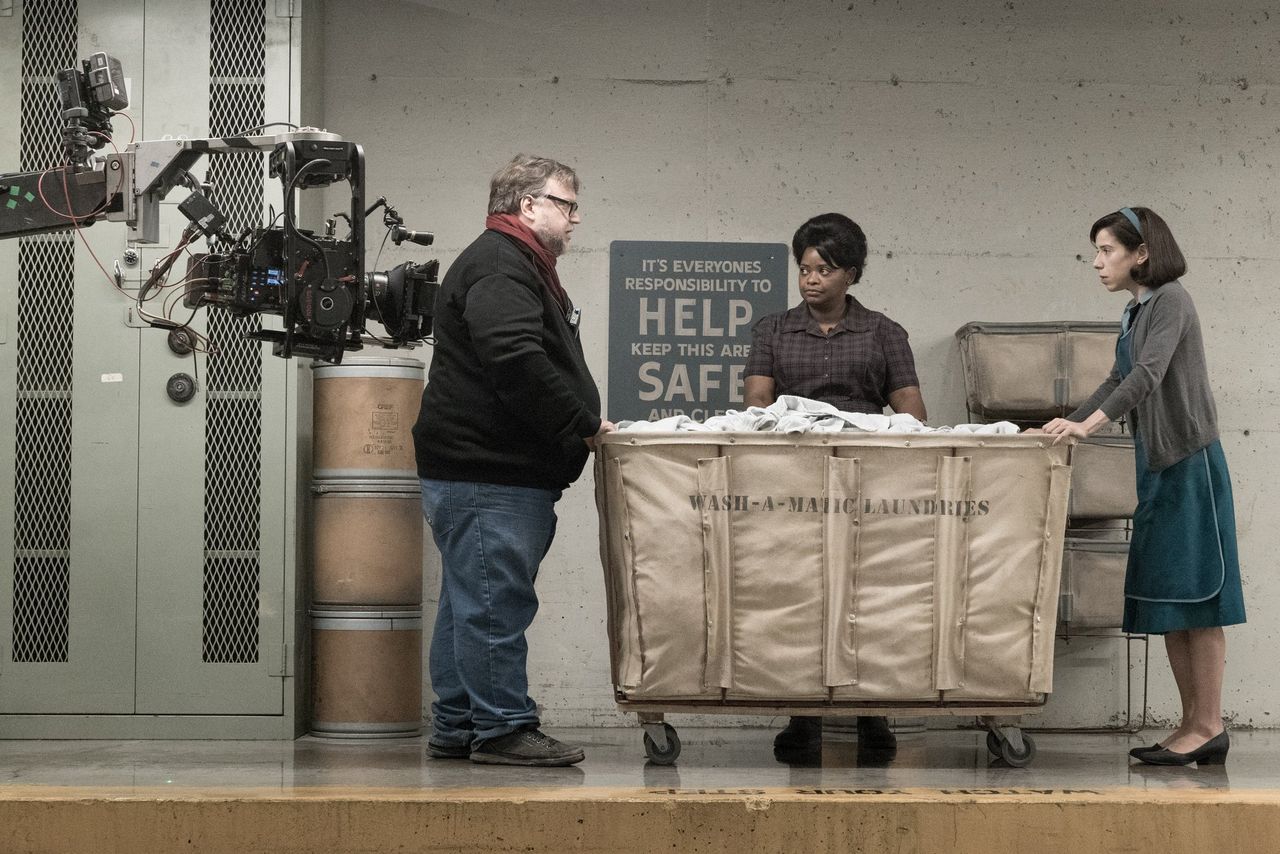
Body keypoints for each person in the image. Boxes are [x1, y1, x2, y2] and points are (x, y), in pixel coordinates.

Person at [412, 154, 615, 767]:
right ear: (528, 205)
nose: (575, 219)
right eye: (566, 204)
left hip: (479, 470)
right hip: (488, 471)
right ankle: (501, 727)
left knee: (467, 602)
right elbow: (515, 359)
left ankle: (458, 723)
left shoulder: (512, 263)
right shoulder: (503, 265)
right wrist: (583, 424)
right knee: (495, 601)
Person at [1040, 206, 1244, 766]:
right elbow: (1115, 379)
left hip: (1190, 464)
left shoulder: (1172, 299)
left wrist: (1088, 425)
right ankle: (1194, 724)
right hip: (1158, 466)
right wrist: (1066, 427)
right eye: (1097, 252)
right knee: (1169, 600)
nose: (1098, 263)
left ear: (1141, 252)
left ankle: (1207, 724)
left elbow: (1147, 376)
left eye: (1106, 251)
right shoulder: (1137, 310)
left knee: (1199, 600)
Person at [744, 212, 927, 756]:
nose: (811, 279)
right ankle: (805, 719)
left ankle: (874, 716)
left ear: (850, 273)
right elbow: (756, 404)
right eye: (804, 268)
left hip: (868, 479)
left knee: (871, 595)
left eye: (823, 269)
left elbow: (912, 412)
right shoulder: (772, 330)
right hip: (793, 479)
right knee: (800, 595)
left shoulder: (884, 333)